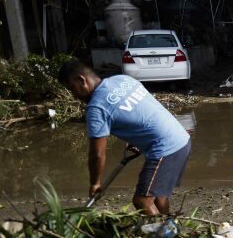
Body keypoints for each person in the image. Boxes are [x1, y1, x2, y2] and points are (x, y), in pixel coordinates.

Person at [57, 60, 191, 215]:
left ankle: (159, 237)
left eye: (71, 88)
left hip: (166, 148)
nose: (74, 95)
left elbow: (97, 154)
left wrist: (95, 182)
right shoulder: (122, 80)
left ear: (82, 80)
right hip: (181, 138)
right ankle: (168, 230)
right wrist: (137, 141)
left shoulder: (96, 108)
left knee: (142, 200)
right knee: (158, 195)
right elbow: (141, 112)